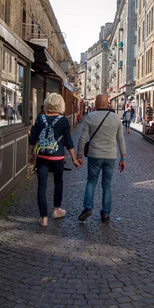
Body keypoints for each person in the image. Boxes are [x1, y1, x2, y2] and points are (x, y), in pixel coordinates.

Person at [29, 93, 80, 227]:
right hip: (58, 157)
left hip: (42, 156)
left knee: (42, 185)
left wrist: (31, 154)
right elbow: (69, 142)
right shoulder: (63, 121)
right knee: (58, 182)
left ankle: (44, 218)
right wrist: (74, 159)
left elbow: (32, 139)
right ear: (60, 105)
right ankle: (57, 210)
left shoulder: (40, 118)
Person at [77, 94, 126, 224]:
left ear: (96, 104)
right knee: (107, 185)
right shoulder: (116, 118)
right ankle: (105, 213)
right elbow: (120, 139)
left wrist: (79, 155)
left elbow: (83, 138)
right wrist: (123, 158)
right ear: (108, 104)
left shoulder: (90, 117)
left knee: (91, 182)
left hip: (94, 155)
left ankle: (88, 207)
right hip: (110, 156)